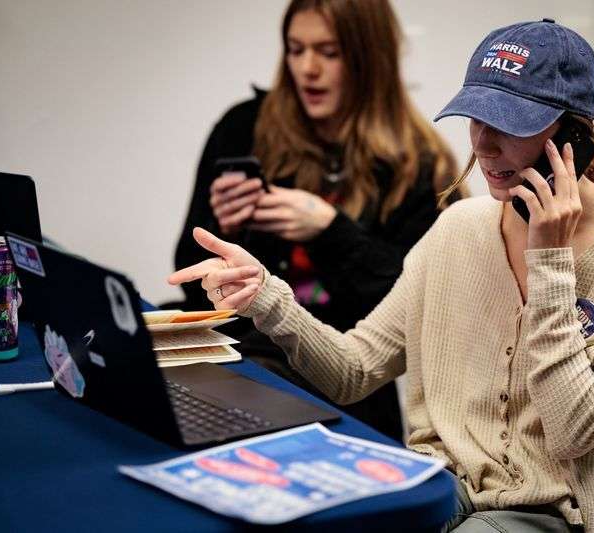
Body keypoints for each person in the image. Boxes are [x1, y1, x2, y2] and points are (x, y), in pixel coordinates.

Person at [170, 20, 594, 533]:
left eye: (511, 124)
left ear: (573, 134)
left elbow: (576, 435)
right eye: (476, 118)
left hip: (556, 512)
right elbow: (353, 371)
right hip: (441, 485)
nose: (483, 145)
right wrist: (266, 297)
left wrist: (549, 264)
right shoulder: (460, 228)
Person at [173, 0, 461, 442]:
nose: (307, 68)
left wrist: (333, 232)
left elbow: (411, 310)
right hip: (241, 352)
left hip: (341, 377)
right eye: (295, 49)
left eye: (329, 53)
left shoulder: (421, 165)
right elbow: (190, 278)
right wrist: (226, 233)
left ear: (369, 60)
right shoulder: (244, 127)